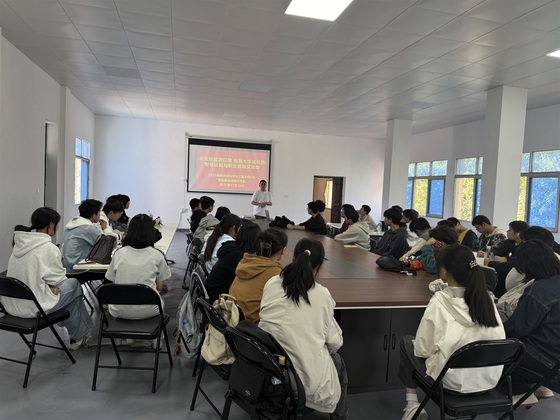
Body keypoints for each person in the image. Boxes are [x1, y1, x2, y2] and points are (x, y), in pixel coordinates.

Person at [398, 244, 505, 420]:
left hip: (451, 383)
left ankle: (412, 405)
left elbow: (422, 350)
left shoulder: (440, 300)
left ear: (444, 271)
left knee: (407, 343)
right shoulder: (486, 298)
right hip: (488, 380)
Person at [259, 238, 348, 419]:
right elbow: (335, 343)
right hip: (297, 385)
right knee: (338, 361)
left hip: (266, 368)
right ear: (319, 266)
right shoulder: (321, 294)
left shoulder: (272, 283)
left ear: (294, 258)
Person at [4, 207, 93, 350]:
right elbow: (60, 280)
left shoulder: (19, 246)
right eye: (57, 224)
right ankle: (79, 335)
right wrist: (53, 285)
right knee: (73, 284)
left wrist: (51, 285)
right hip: (34, 308)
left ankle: (78, 336)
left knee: (70, 297)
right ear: (51, 224)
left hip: (12, 306)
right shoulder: (48, 248)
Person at [504, 240, 560, 404]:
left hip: (547, 359)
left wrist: (494, 329)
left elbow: (518, 328)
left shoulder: (540, 290)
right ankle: (535, 385)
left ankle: (518, 390)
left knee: (496, 347)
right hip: (555, 354)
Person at [105, 214, 171, 347]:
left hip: (119, 309)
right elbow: (160, 286)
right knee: (159, 300)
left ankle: (129, 337)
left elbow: (111, 280)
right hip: (149, 309)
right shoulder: (157, 255)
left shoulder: (119, 253)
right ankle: (157, 340)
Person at [229, 228, 287, 323]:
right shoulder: (276, 274)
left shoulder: (246, 262)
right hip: (248, 327)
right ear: (283, 250)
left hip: (229, 318)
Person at [205, 221, 261, 303]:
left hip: (213, 292)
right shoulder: (238, 256)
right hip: (218, 299)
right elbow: (248, 278)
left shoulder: (233, 248)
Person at [61, 199, 114, 272]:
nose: (100, 215)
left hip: (67, 266)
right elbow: (107, 246)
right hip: (78, 269)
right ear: (93, 215)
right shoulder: (88, 229)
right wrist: (105, 229)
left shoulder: (73, 224)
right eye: (99, 213)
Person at [483, 220, 529, 297]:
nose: (507, 231)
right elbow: (495, 251)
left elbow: (518, 261)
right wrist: (493, 257)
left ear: (518, 233)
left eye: (510, 229)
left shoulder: (526, 246)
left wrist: (506, 259)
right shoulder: (510, 242)